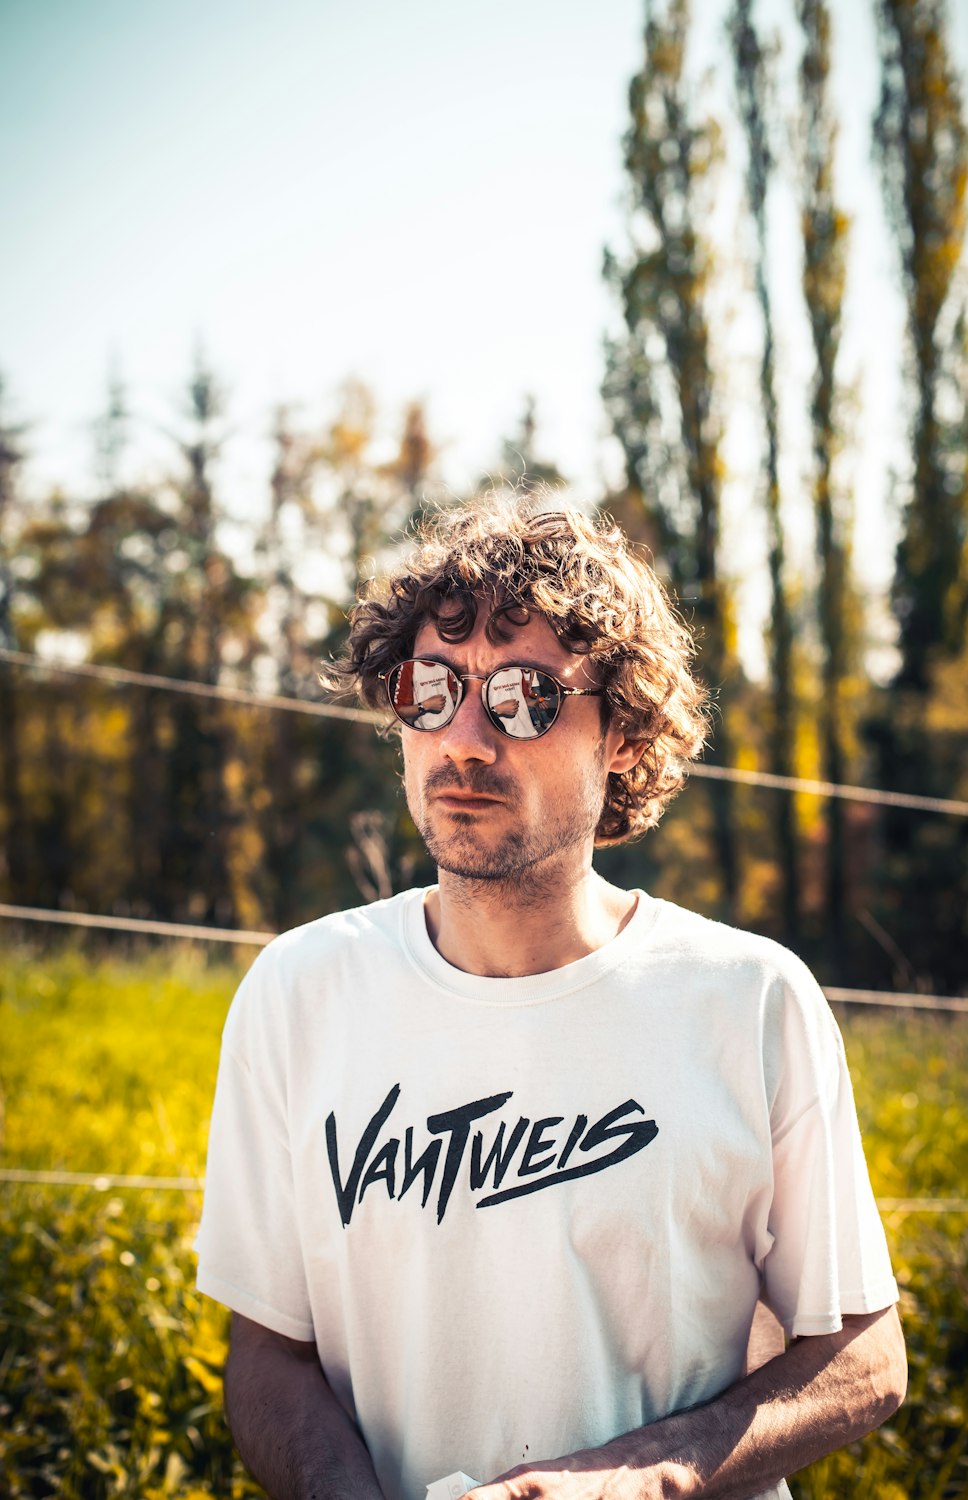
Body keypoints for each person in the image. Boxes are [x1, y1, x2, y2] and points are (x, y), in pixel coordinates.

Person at [196, 498, 906, 1500]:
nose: (468, 740)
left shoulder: (748, 1003)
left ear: (622, 733)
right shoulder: (299, 994)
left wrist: (638, 1479)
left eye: (527, 698)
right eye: (429, 690)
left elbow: (865, 1360)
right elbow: (269, 1356)